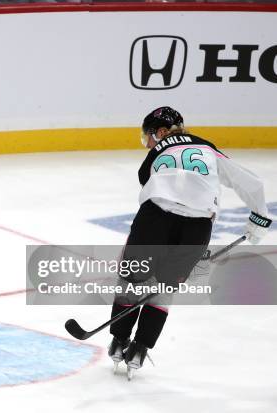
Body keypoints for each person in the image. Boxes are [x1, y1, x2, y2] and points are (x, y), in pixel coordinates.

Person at [108, 106, 271, 378]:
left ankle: (119, 339)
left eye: (148, 136)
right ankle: (141, 346)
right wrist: (260, 218)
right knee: (164, 287)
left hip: (155, 218)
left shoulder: (153, 156)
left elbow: (152, 188)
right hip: (197, 228)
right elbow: (250, 182)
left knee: (132, 278)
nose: (147, 143)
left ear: (160, 133)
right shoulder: (207, 148)